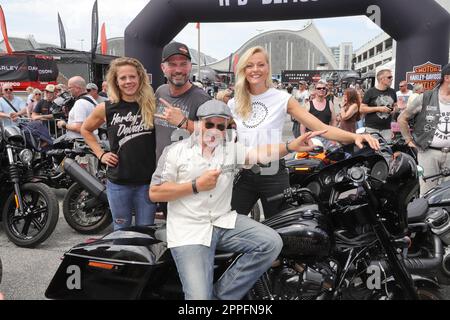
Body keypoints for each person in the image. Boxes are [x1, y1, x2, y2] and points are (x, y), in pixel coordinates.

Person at [150, 100, 329, 300]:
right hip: (189, 230)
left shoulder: (229, 150)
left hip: (223, 221)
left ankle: (222, 296)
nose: (214, 130)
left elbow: (260, 154)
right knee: (199, 299)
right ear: (198, 123)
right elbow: (155, 192)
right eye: (209, 124)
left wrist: (291, 145)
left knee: (271, 243)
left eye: (220, 126)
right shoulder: (175, 151)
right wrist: (195, 186)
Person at [228, 46, 379, 219]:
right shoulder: (234, 102)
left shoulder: (281, 98)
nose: (255, 70)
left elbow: (322, 127)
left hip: (273, 173)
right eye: (249, 65)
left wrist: (355, 136)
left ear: (268, 68)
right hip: (245, 172)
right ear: (243, 69)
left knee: (280, 232)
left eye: (260, 64)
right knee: (227, 224)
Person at [81, 57, 157, 230]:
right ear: (115, 81)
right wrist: (101, 154)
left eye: (132, 77)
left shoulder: (151, 105)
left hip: (147, 183)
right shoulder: (106, 107)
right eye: (123, 78)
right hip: (119, 183)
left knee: (145, 232)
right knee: (121, 232)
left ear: (140, 78)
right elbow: (86, 130)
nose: (128, 81)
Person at [154, 41, 211, 162]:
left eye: (183, 64)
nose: (178, 70)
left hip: (188, 175)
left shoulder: (202, 99)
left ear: (190, 66)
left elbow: (214, 135)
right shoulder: (160, 92)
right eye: (172, 64)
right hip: (160, 172)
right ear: (163, 68)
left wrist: (184, 122)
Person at [398, 63, 450, 195]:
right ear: (447, 78)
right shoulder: (426, 98)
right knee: (428, 193)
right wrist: (408, 140)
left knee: (447, 195)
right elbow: (402, 118)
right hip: (428, 153)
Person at [360, 69, 397, 142]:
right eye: (389, 77)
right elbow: (362, 109)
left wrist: (395, 109)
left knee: (386, 152)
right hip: (372, 128)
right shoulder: (370, 92)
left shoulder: (392, 91)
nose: (392, 79)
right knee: (372, 151)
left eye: (391, 77)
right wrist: (379, 109)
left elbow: (395, 105)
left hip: (387, 129)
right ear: (381, 79)